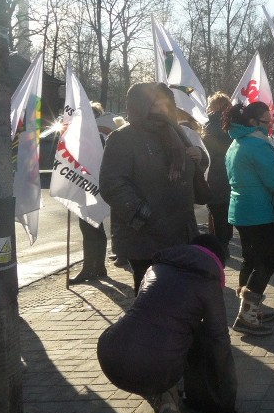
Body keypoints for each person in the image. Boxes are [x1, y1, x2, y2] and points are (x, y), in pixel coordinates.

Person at [96, 234, 238, 413]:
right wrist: (225, 379)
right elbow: (219, 336)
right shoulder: (207, 283)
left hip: (109, 356)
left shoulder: (155, 268)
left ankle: (163, 396)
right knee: (186, 338)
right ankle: (165, 393)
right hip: (156, 368)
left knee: (151, 328)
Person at [100, 83, 207, 294]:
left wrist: (198, 158)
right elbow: (112, 184)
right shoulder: (123, 138)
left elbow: (192, 174)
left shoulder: (176, 133)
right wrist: (145, 215)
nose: (163, 109)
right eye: (156, 104)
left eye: (166, 104)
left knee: (180, 294)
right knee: (152, 296)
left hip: (181, 231)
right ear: (140, 106)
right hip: (145, 236)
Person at [225, 101, 274, 336]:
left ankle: (249, 308)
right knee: (267, 261)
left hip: (242, 210)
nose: (270, 125)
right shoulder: (258, 145)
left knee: (251, 260)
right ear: (253, 123)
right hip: (259, 211)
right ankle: (247, 315)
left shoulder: (236, 142)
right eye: (267, 121)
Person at [69, 102, 115, 285]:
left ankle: (89, 269)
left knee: (88, 227)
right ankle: (99, 267)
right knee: (96, 226)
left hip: (89, 185)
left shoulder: (92, 136)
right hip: (98, 185)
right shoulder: (102, 134)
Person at [202, 92, 234, 257]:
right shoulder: (233, 124)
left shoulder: (210, 126)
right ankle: (225, 241)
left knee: (218, 212)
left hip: (215, 174)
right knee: (227, 211)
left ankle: (221, 247)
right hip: (231, 174)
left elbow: (207, 154)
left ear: (214, 107)